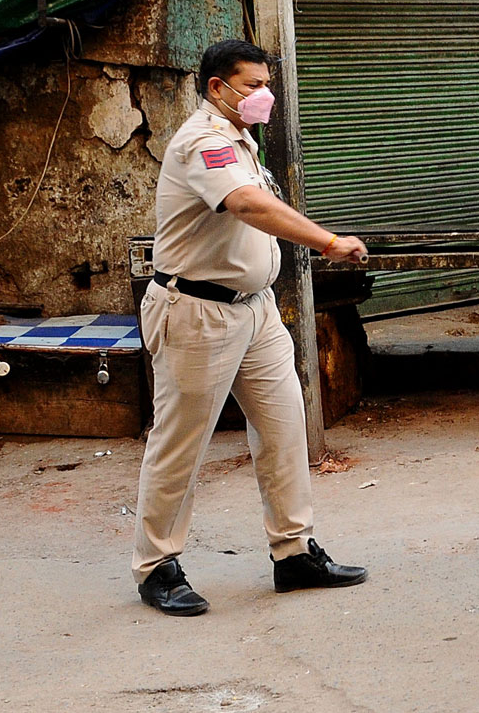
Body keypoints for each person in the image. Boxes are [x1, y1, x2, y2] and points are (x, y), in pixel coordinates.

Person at [132, 39, 371, 616]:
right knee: (182, 441)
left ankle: (293, 553)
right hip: (197, 311)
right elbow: (246, 206)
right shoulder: (202, 142)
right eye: (252, 85)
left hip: (254, 308)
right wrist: (329, 242)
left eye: (268, 84)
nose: (264, 95)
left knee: (286, 423)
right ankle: (155, 565)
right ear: (217, 87)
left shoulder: (241, 140)